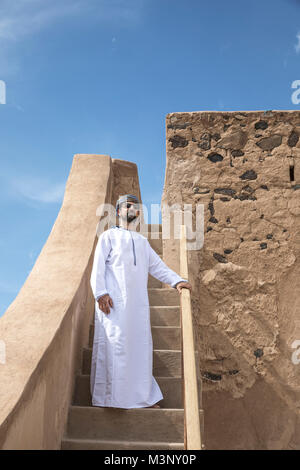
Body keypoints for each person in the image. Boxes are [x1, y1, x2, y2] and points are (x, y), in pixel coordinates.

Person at [90, 194, 192, 409]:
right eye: (127, 205)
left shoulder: (142, 242)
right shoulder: (108, 236)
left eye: (135, 207)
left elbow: (158, 267)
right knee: (115, 347)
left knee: (139, 349)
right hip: (113, 305)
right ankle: (111, 398)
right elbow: (98, 267)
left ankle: (141, 398)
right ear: (118, 211)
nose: (132, 209)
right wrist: (100, 293)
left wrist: (177, 281)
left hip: (137, 307)